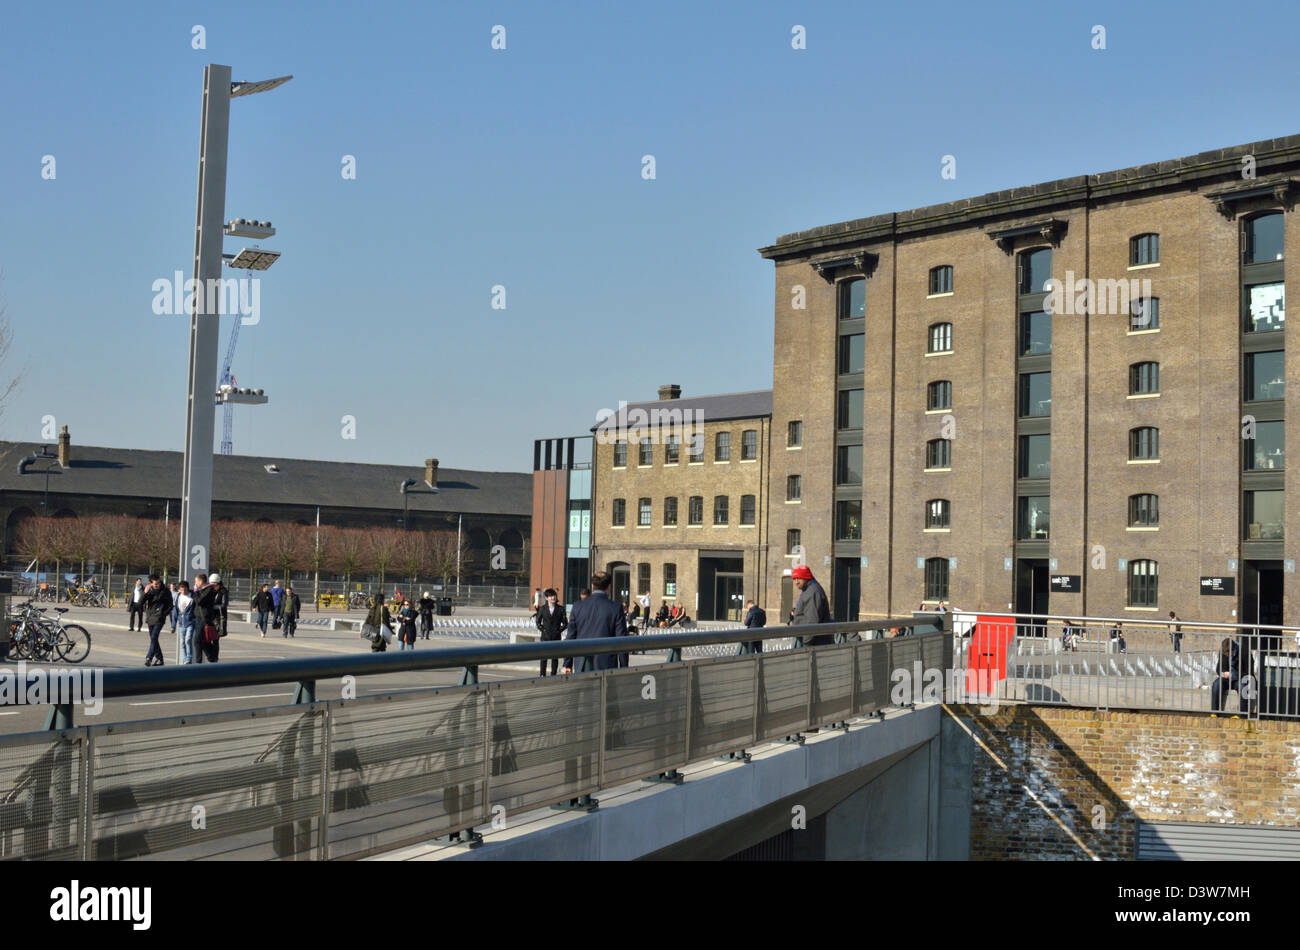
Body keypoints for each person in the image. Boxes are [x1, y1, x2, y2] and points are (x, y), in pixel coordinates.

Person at [562, 573, 627, 673]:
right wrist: (624, 666)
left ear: (592, 586)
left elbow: (570, 637)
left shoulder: (577, 606)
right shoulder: (616, 608)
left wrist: (567, 664)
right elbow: (622, 641)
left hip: (582, 663)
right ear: (609, 587)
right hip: (606, 664)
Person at [789, 565, 832, 645]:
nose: (796, 582)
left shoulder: (812, 592)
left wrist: (806, 642)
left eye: (799, 578)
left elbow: (812, 620)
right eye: (794, 579)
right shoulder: (809, 590)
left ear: (806, 577)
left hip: (814, 643)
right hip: (814, 640)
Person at [141, 574, 173, 667]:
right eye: (155, 584)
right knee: (153, 639)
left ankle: (149, 658)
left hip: (159, 618)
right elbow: (140, 603)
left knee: (154, 637)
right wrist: (145, 593)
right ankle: (160, 659)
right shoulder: (150, 591)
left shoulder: (165, 591)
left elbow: (170, 605)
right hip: (150, 617)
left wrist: (164, 614)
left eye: (159, 583)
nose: (158, 585)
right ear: (151, 584)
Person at [1211, 637, 1248, 715]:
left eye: (1228, 654)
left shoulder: (1243, 651)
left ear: (1233, 650)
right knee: (1217, 684)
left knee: (1242, 686)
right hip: (1227, 679)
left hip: (1239, 678)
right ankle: (1214, 712)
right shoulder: (1224, 651)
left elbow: (1247, 671)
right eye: (1225, 654)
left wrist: (1233, 674)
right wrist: (1222, 673)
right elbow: (1219, 668)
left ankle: (1242, 714)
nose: (1227, 655)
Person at [535, 588, 568, 676]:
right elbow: (538, 622)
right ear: (546, 598)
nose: (553, 597)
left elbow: (565, 623)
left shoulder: (561, 609)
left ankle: (553, 674)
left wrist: (558, 631)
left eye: (554, 595)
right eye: (550, 596)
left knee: (555, 658)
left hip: (556, 637)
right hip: (545, 637)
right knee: (543, 658)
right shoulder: (542, 609)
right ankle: (542, 674)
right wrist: (543, 630)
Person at [175, 581, 195, 664]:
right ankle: (185, 657)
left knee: (188, 639)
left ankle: (189, 657)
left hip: (190, 622)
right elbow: (175, 611)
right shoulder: (178, 597)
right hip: (181, 623)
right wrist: (173, 624)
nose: (183, 592)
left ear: (187, 588)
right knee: (182, 642)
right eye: (181, 590)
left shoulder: (192, 597)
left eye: (185, 590)